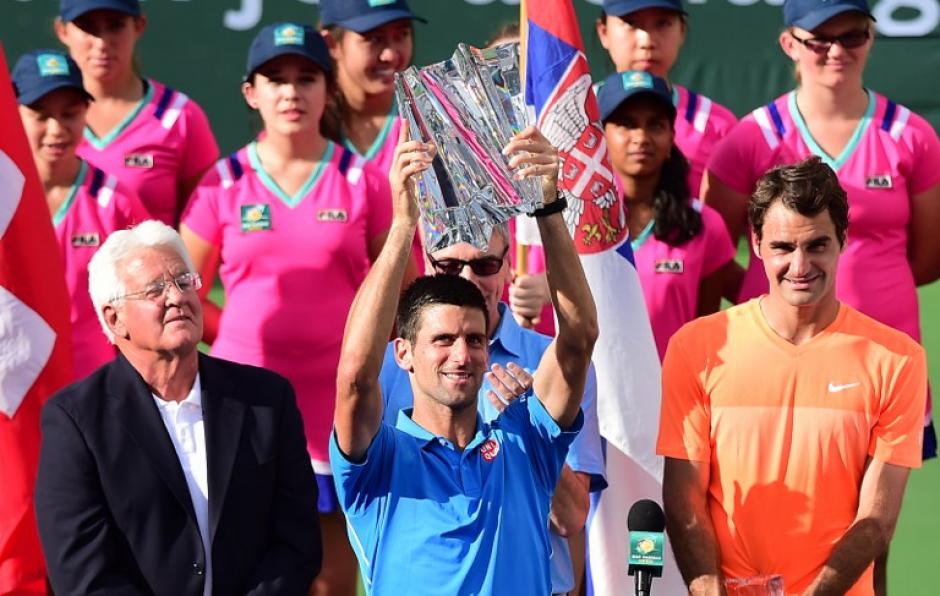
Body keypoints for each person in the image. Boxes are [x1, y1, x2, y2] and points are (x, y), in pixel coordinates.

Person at [702, 6, 939, 584]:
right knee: (770, 519)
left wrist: (864, 309)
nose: (836, 51)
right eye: (819, 40)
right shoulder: (750, 136)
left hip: (881, 368)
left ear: (871, 37)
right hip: (778, 367)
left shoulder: (912, 135)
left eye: (852, 35)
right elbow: (712, 246)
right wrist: (769, 296)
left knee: (873, 536)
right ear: (788, 43)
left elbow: (929, 256)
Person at [179, 23, 412, 596]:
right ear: (249, 93)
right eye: (275, 80)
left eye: (305, 78)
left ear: (328, 89)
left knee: (333, 581)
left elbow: (406, 295)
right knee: (248, 573)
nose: (291, 93)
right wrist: (233, 335)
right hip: (243, 408)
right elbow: (181, 292)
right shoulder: (222, 184)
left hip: (338, 407)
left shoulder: (363, 182)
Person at [330, 122, 598, 594]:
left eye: (475, 339)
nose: (463, 354)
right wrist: (401, 228)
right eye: (443, 340)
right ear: (404, 354)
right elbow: (354, 377)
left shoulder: (525, 435)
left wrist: (548, 208)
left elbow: (578, 337)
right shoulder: (381, 459)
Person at [657, 157, 927, 596]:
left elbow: (877, 519)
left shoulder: (897, 359)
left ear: (843, 240)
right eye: (783, 247)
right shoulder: (696, 348)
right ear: (756, 243)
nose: (799, 267)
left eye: (817, 245)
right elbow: (684, 499)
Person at [34, 220, 321, 595]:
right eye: (155, 289)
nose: (177, 297)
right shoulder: (76, 420)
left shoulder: (265, 400)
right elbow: (82, 572)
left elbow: (297, 543)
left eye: (184, 282)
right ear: (114, 318)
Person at [378, 229, 606, 592]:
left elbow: (571, 517)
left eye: (485, 264)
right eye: (450, 267)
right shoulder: (391, 367)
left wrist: (536, 436)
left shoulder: (553, 363)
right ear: (426, 266)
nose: (468, 279)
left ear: (508, 269)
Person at [13, 48, 149, 379]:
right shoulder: (6, 195)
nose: (57, 128)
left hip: (94, 387)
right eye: (41, 115)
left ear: (86, 112)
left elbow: (149, 295)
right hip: (13, 388)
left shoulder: (115, 200)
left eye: (69, 114)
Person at [597, 70, 736, 359]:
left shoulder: (704, 225)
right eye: (626, 124)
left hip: (673, 395)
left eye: (655, 125)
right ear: (602, 135)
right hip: (594, 396)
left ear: (672, 136)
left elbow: (703, 333)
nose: (641, 137)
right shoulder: (579, 222)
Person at [55, 0, 220, 226]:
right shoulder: (37, 125)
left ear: (139, 26)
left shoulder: (180, 116)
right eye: (87, 26)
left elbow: (203, 231)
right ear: (62, 30)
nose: (102, 42)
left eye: (115, 25)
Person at [319, 0, 426, 277]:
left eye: (401, 34)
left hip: (416, 313)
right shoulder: (307, 130)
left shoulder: (430, 125)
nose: (391, 54)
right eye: (373, 39)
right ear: (332, 44)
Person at [596, 0, 737, 197]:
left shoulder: (717, 125)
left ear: (682, 31)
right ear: (603, 32)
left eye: (662, 23)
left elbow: (719, 224)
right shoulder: (569, 113)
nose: (646, 41)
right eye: (631, 23)